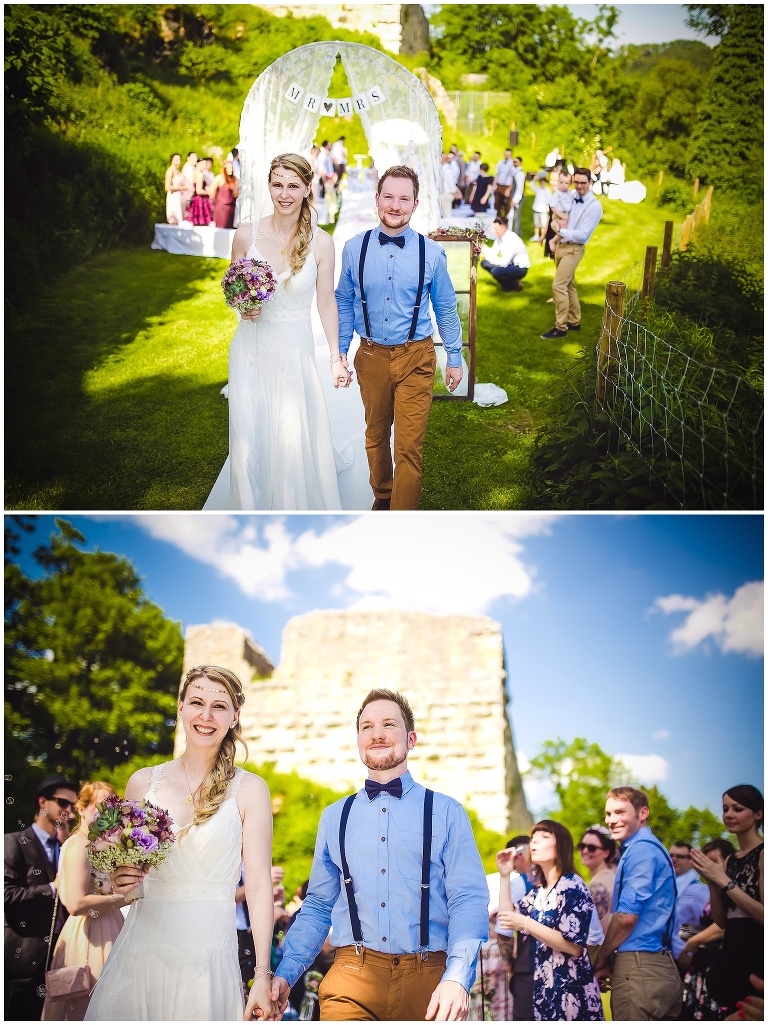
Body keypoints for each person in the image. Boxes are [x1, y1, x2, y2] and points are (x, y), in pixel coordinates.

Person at [270, 688, 489, 1021]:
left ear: (411, 738)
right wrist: (285, 973)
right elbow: (317, 905)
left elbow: (468, 899)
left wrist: (457, 977)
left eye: (389, 724)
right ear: (358, 739)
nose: (377, 734)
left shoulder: (447, 812)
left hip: (430, 979)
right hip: (352, 977)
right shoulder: (334, 816)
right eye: (366, 726)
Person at [84, 665, 277, 1022]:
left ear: (235, 716)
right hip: (142, 952)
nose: (206, 716)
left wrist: (262, 974)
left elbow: (259, 885)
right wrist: (118, 880)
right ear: (180, 707)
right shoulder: (143, 783)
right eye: (197, 702)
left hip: (209, 958)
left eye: (219, 706)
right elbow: (119, 880)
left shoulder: (251, 790)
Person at [207, 153, 351, 511]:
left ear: (307, 189)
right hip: (251, 351)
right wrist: (244, 306)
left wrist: (336, 358)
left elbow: (326, 303)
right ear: (268, 186)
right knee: (250, 432)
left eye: (292, 186)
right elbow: (235, 290)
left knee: (288, 435)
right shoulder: (245, 235)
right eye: (276, 185)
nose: (283, 194)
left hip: (293, 354)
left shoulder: (322, 243)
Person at [335, 165, 464, 511]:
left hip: (416, 358)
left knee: (408, 447)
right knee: (375, 436)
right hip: (371, 356)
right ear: (377, 200)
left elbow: (446, 309)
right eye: (388, 197)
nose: (395, 205)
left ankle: (402, 519)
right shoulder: (353, 249)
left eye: (403, 198)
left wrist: (454, 357)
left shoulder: (432, 254)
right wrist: (341, 352)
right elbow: (343, 300)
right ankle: (383, 496)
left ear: (415, 203)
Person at [497, 820, 604, 1021]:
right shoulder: (539, 891)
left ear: (560, 846)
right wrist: (504, 875)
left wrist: (526, 924)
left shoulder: (572, 886)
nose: (535, 842)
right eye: (534, 837)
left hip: (570, 988)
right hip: (545, 988)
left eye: (544, 837)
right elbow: (506, 920)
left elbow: (574, 947)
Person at [594, 787, 683, 1021]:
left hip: (641, 968)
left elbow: (626, 917)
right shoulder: (645, 847)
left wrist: (601, 958)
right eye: (608, 814)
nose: (611, 820)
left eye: (620, 812)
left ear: (643, 813)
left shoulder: (641, 850)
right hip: (656, 967)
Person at [41, 782, 127, 1021]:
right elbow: (75, 904)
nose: (106, 811)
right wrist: (124, 898)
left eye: (111, 806)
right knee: (89, 1006)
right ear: (81, 809)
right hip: (90, 936)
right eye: (99, 805)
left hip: (111, 928)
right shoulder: (79, 845)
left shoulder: (98, 845)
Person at [5, 775, 78, 1021]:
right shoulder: (12, 842)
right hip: (24, 962)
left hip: (62, 960)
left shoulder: (68, 847)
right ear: (42, 802)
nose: (69, 811)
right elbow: (6, 896)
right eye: (62, 803)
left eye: (73, 806)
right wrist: (52, 887)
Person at [689, 784, 763, 1017]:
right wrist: (713, 882)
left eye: (738, 808)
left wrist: (725, 881)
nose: (729, 814)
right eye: (725, 809)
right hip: (732, 953)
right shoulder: (731, 860)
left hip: (757, 952)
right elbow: (722, 921)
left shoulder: (763, 853)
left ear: (758, 814)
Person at [540, 167, 603, 339]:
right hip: (561, 244)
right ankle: (575, 322)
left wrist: (560, 230)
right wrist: (554, 240)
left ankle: (560, 327)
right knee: (569, 284)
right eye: (577, 182)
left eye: (583, 183)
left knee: (558, 285)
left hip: (574, 249)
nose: (580, 186)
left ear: (590, 183)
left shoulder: (594, 206)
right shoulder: (572, 196)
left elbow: (582, 235)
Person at [678, 838, 733, 1020]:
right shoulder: (712, 891)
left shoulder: (734, 892)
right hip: (700, 969)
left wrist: (694, 942)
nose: (709, 867)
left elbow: (725, 926)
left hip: (718, 970)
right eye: (705, 862)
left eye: (714, 862)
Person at [494, 836, 536, 1021]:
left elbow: (504, 933)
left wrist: (509, 963)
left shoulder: (518, 884)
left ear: (517, 857)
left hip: (528, 968)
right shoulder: (569, 879)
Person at [669, 841, 710, 947]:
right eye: (671, 855)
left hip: (685, 957)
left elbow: (715, 926)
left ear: (691, 861)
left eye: (680, 857)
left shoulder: (698, 891)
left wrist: (688, 951)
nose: (674, 859)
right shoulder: (663, 887)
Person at [578, 827, 617, 935]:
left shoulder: (600, 884)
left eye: (592, 848)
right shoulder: (607, 876)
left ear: (606, 853)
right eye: (582, 846)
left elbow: (602, 929)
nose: (585, 851)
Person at [480, 216, 530, 293]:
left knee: (496, 271)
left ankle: (515, 285)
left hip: (520, 268)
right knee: (484, 263)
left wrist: (486, 256)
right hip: (510, 265)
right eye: (493, 229)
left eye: (496, 229)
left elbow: (504, 262)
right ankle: (507, 284)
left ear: (503, 227)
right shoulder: (499, 238)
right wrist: (483, 247)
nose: (494, 231)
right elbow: (493, 253)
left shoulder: (511, 239)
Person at [542, 168, 574, 262]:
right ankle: (553, 242)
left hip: (565, 214)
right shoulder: (556, 194)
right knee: (561, 229)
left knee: (565, 230)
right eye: (561, 182)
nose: (564, 185)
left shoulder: (570, 193)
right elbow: (553, 207)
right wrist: (562, 216)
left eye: (566, 183)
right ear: (558, 182)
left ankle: (560, 248)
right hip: (558, 215)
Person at [210, 158, 239, 229]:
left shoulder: (235, 179)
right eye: (228, 167)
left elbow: (236, 194)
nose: (230, 169)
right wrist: (215, 203)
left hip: (231, 207)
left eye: (231, 167)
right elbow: (212, 192)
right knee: (221, 228)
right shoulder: (220, 178)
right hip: (221, 207)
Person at [185, 156, 214, 226]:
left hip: (196, 199)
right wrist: (209, 192)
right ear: (199, 164)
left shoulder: (195, 173)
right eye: (203, 164)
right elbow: (199, 191)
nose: (205, 166)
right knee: (202, 221)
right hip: (200, 201)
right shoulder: (200, 174)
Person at [164, 153, 189, 225]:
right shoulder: (170, 170)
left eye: (179, 159)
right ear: (172, 160)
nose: (178, 161)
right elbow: (167, 187)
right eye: (176, 159)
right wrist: (182, 188)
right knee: (174, 219)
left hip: (180, 197)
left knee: (181, 218)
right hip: (174, 197)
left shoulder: (178, 171)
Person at [493, 149, 515, 220]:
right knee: (497, 203)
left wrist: (509, 189)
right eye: (506, 154)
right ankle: (498, 217)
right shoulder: (500, 162)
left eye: (508, 155)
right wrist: (494, 184)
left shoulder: (512, 164)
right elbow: (497, 174)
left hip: (507, 186)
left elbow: (513, 178)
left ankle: (505, 219)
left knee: (506, 204)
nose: (506, 156)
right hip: (499, 185)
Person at [530, 172, 551, 243]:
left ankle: (543, 236)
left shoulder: (547, 191)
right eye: (540, 183)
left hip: (544, 210)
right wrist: (534, 180)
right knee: (536, 223)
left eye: (543, 183)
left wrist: (548, 207)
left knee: (543, 224)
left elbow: (550, 200)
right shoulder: (538, 189)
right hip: (536, 208)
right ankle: (536, 235)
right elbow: (531, 186)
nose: (542, 184)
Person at [508, 156, 526, 236]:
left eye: (516, 162)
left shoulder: (520, 174)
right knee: (513, 216)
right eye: (513, 161)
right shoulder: (514, 172)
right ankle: (516, 233)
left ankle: (516, 234)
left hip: (518, 198)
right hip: (514, 197)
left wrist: (515, 200)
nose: (514, 163)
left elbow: (520, 188)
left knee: (516, 217)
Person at [441, 152, 459, 218]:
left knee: (447, 214)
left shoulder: (448, 170)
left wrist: (454, 192)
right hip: (444, 193)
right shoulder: (443, 169)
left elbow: (451, 183)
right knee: (445, 213)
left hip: (447, 193)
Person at [180, 151, 197, 216]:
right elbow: (189, 181)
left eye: (195, 157)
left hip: (191, 192)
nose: (195, 159)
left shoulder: (193, 167)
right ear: (188, 158)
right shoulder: (187, 167)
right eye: (193, 157)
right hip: (188, 193)